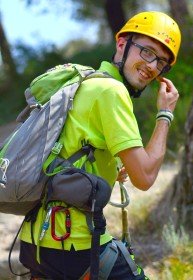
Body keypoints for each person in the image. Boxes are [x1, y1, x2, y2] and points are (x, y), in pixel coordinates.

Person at [18, 10, 181, 280]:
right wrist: (165, 114)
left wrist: (110, 167)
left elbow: (70, 151)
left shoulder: (86, 83)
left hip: (35, 240)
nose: (152, 66)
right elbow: (145, 177)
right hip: (74, 245)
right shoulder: (112, 92)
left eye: (162, 62)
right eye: (148, 52)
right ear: (122, 44)